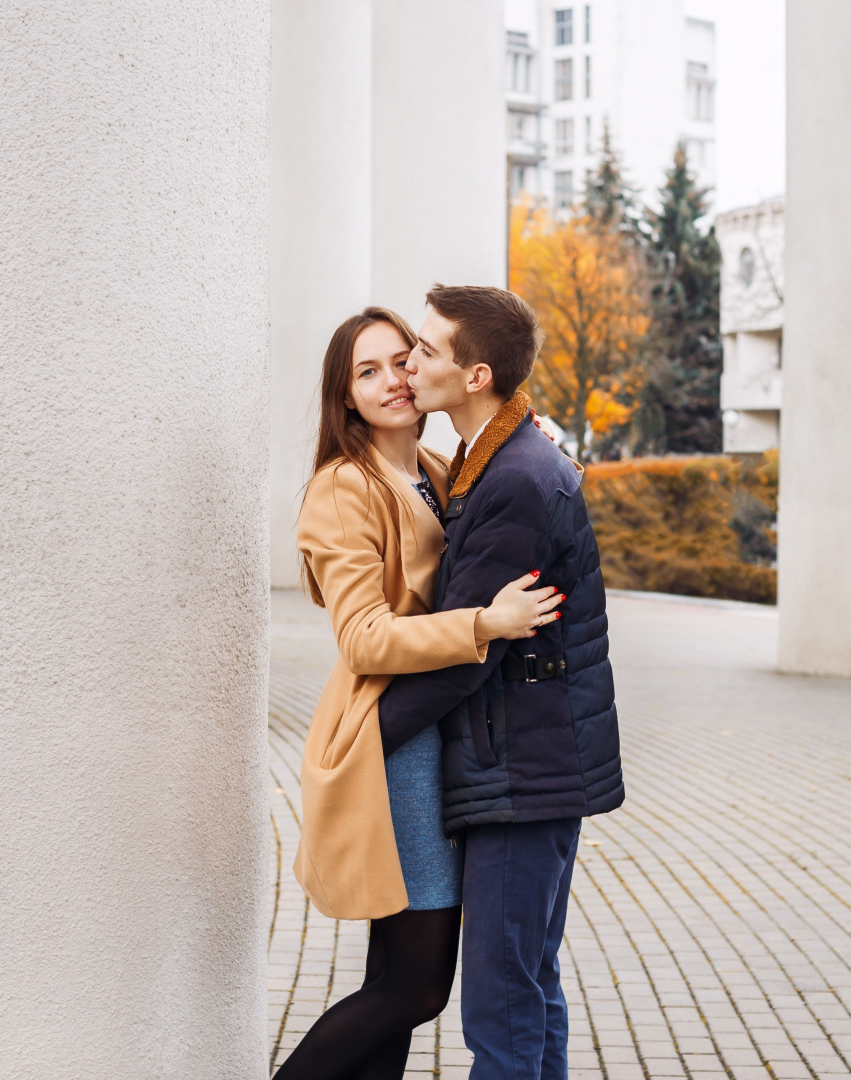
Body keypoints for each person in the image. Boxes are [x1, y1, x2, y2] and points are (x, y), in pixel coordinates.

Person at [276, 307, 565, 1080]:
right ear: (346, 400)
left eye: (402, 360)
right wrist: (487, 622)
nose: (392, 381)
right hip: (392, 741)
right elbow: (364, 638)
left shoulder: (438, 472)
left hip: (437, 737)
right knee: (416, 984)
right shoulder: (344, 485)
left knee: (394, 981)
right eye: (366, 372)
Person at [376, 285, 624, 1080]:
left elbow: (462, 650)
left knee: (500, 1002)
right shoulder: (501, 462)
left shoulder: (515, 477)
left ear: (475, 376)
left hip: (521, 770)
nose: (411, 364)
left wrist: (359, 739)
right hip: (530, 765)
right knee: (526, 988)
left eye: (427, 350)